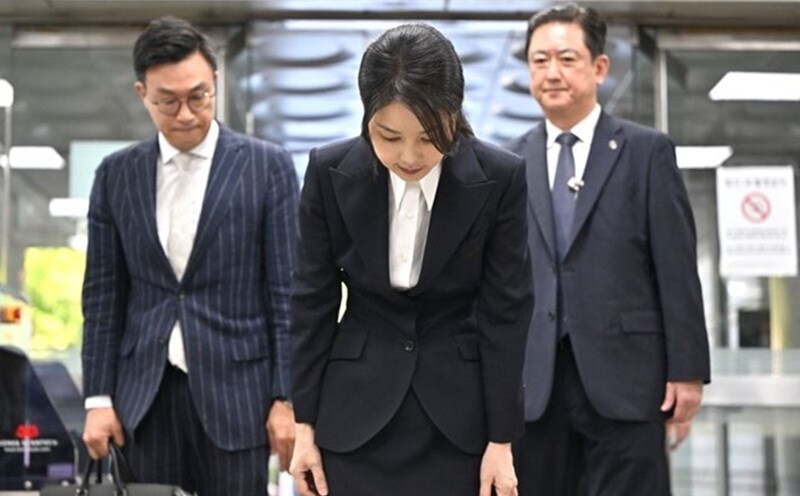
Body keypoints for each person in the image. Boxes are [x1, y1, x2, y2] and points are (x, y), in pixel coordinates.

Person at [289, 23, 533, 496]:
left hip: (459, 420)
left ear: (455, 115)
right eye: (388, 136)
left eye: (429, 136)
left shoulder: (500, 177)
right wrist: (304, 427)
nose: (409, 156)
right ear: (367, 120)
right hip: (352, 416)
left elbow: (507, 312)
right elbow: (310, 304)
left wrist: (502, 440)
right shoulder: (328, 171)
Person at [80, 16, 297, 495]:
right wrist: (98, 398)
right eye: (168, 101)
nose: (185, 114)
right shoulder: (116, 175)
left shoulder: (268, 167)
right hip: (145, 399)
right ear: (142, 93)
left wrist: (287, 398)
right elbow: (102, 297)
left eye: (198, 96)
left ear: (216, 82)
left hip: (239, 397)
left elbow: (287, 296)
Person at [504, 4, 711, 495]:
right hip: (536, 384)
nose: (551, 72)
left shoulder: (646, 151)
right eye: (539, 60)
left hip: (627, 381)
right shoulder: (509, 162)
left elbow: (676, 268)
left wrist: (688, 372)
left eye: (566, 58)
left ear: (599, 67)